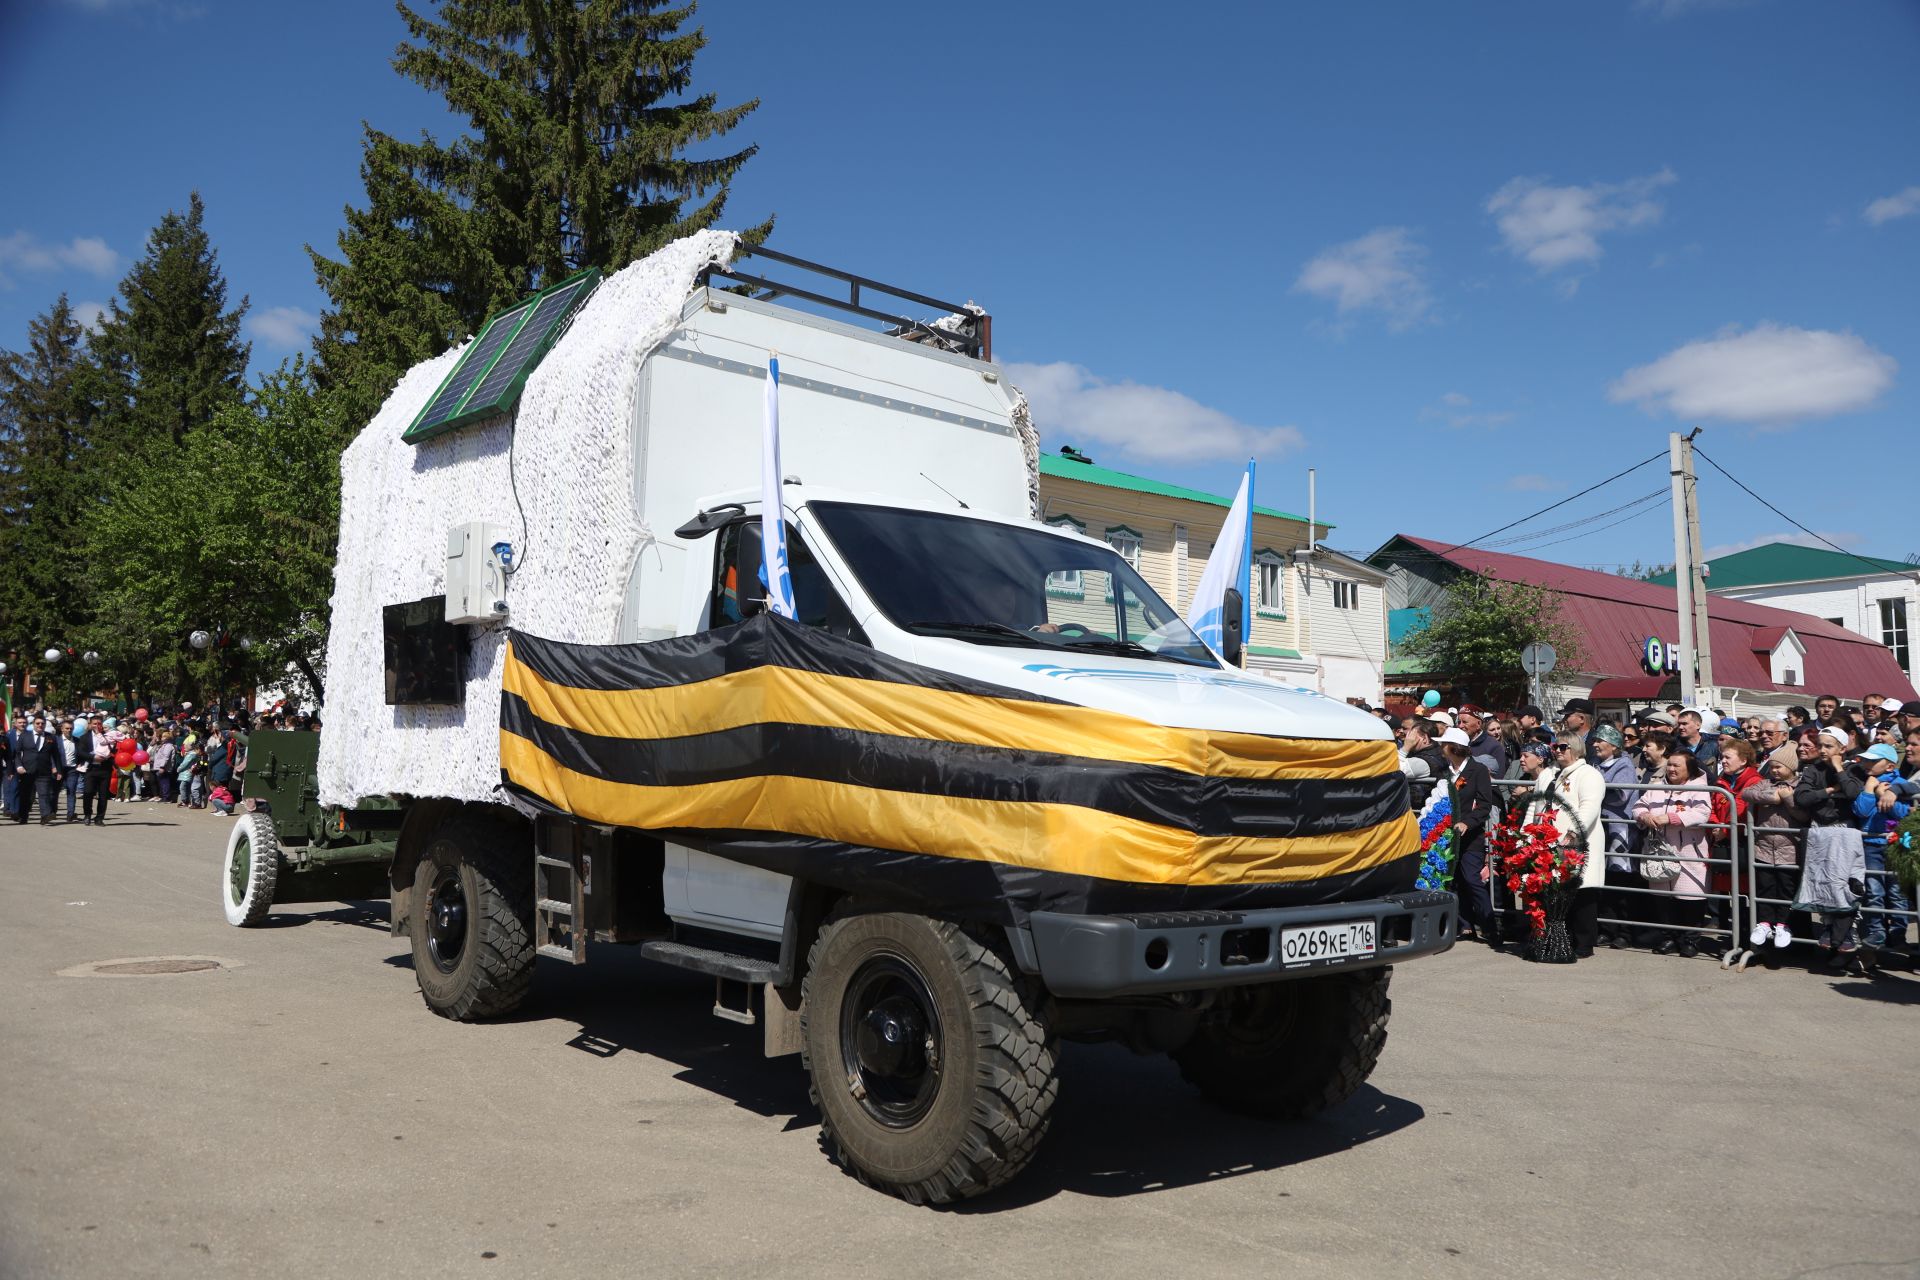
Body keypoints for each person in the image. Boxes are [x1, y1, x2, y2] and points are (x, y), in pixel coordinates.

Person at [1529, 733, 1607, 957]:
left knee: (1581, 895)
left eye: (1563, 746)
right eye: (1555, 746)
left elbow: (1589, 807)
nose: (1558, 750)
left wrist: (1573, 832)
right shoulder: (1548, 774)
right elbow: (1535, 806)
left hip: (1578, 844)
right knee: (1556, 894)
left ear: (1575, 748)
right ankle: (1560, 939)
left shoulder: (1589, 775)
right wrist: (1527, 833)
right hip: (1549, 843)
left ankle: (1583, 944)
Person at [1793, 726, 1866, 964]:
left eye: (1828, 746)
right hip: (1819, 831)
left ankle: (1847, 933)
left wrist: (1838, 769)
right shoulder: (1812, 769)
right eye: (1821, 745)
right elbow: (1802, 797)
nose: (1822, 750)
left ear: (1842, 748)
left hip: (1845, 831)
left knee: (1844, 883)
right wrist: (1830, 791)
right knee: (1821, 880)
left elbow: (1854, 792)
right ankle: (1827, 928)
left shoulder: (1853, 767)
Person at [1632, 751, 1713, 956]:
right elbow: (1638, 806)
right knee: (1663, 899)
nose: (1671, 769)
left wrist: (1671, 817)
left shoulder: (1699, 789)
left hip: (1689, 851)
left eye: (1677, 766)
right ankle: (1668, 938)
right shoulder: (1656, 787)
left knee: (1690, 899)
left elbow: (1702, 814)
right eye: (1670, 765)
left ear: (1689, 768)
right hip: (1659, 851)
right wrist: (1644, 815)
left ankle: (1691, 940)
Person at [1851, 743, 1912, 965]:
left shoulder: (1903, 785)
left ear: (1890, 765)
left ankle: (1898, 933)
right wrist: (1869, 790)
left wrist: (1883, 793)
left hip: (1896, 844)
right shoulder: (1867, 782)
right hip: (1870, 844)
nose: (1867, 764)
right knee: (1874, 891)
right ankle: (1876, 932)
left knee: (1897, 892)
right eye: (1866, 760)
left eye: (1872, 761)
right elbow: (1860, 811)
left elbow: (1905, 814)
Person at [1744, 753, 1807, 953]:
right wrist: (1772, 797)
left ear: (1791, 767)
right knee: (1765, 886)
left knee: (1786, 888)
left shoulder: (1800, 786)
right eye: (1772, 767)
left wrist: (1788, 799)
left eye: (1779, 767)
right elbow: (1746, 793)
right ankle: (1764, 922)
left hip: (1789, 849)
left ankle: (1782, 924)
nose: (1774, 771)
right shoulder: (1765, 784)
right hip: (1763, 847)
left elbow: (1802, 814)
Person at [1439, 726, 1496, 944]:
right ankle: (1464, 925)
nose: (1441, 748)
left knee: (1472, 879)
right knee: (1454, 881)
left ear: (1453, 748)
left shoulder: (1478, 770)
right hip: (1448, 835)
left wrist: (1467, 823)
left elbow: (1484, 805)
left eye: (1444, 744)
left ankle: (1490, 927)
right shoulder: (1444, 771)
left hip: (1471, 836)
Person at [1591, 724, 1640, 947]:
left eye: (1600, 741)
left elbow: (1621, 795)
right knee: (1605, 879)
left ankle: (1625, 931)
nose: (1595, 745)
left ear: (1613, 745)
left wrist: (1596, 792)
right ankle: (1606, 928)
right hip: (1600, 825)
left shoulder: (1624, 765)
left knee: (1621, 879)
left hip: (1619, 828)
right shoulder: (1596, 765)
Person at [12, 713, 63, 825]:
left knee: (44, 794)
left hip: (44, 771)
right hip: (27, 771)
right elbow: (17, 753)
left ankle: (45, 816)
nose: (40, 725)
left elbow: (56, 755)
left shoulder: (51, 737)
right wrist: (19, 766)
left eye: (42, 723)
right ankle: (23, 816)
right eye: (38, 723)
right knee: (26, 795)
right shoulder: (24, 736)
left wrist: (59, 770)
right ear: (33, 724)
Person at [1400, 716, 1446, 809]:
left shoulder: (1423, 762)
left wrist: (1405, 749)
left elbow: (1392, 768)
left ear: (1424, 738)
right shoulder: (1435, 750)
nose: (1408, 738)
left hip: (1418, 813)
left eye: (1412, 734)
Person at [77, 715, 113, 826]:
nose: (97, 726)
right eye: (94, 723)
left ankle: (99, 818)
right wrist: (93, 757)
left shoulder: (107, 736)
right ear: (90, 725)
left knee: (103, 795)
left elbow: (113, 749)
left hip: (104, 769)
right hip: (91, 768)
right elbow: (81, 752)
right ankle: (87, 815)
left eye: (99, 724)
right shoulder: (84, 737)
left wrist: (109, 755)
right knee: (88, 793)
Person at [1458, 704, 1506, 775]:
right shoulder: (1457, 744)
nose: (1460, 726)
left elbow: (1499, 778)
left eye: (1464, 722)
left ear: (1478, 724)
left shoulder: (1494, 746)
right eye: (1459, 722)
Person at [1557, 698, 1598, 763]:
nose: (1563, 720)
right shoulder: (1564, 741)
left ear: (1581, 719)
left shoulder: (1597, 742)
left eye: (1567, 716)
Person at [58, 718, 84, 821]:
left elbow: (81, 754)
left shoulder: (77, 741)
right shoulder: (57, 740)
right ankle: (52, 811)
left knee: (71, 791)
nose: (69, 730)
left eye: (71, 728)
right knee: (54, 791)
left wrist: (80, 764)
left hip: (72, 770)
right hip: (60, 769)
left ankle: (70, 814)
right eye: (67, 728)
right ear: (62, 729)